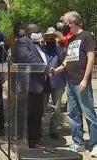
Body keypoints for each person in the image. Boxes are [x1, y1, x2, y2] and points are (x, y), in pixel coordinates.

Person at [50, 11, 97, 157]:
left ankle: (95, 144)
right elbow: (66, 61)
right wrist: (56, 70)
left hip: (81, 82)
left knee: (88, 113)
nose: (65, 25)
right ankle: (78, 143)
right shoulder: (70, 40)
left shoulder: (86, 36)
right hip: (69, 82)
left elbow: (91, 58)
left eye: (66, 23)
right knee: (73, 113)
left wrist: (85, 79)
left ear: (73, 22)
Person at [12, 23, 47, 149]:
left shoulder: (40, 44)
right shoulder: (22, 42)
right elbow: (30, 59)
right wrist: (47, 68)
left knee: (36, 115)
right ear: (28, 32)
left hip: (38, 85)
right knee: (22, 115)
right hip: (26, 85)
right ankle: (17, 142)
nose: (39, 33)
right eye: (36, 31)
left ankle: (34, 141)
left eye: (39, 31)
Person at [42, 27, 66, 139]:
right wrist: (42, 42)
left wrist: (58, 44)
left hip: (58, 81)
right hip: (44, 81)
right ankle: (39, 130)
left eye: (53, 36)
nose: (51, 39)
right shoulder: (43, 48)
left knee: (56, 108)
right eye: (49, 37)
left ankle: (53, 130)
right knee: (41, 107)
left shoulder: (60, 48)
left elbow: (63, 59)